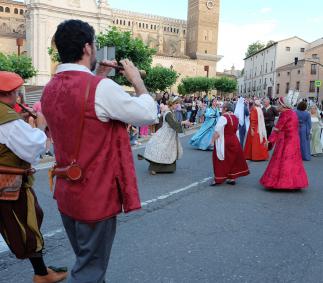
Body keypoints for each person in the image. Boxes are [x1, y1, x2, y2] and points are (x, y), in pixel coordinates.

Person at [41, 20, 157, 283]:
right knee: (90, 269)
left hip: (66, 190)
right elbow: (148, 114)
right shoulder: (100, 88)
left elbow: (81, 112)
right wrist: (137, 82)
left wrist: (98, 78)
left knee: (86, 259)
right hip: (94, 194)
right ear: (87, 48)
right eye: (94, 45)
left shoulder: (49, 88)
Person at [0, 71, 68, 283]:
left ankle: (42, 272)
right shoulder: (7, 120)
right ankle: (42, 274)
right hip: (10, 187)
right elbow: (33, 147)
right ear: (11, 93)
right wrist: (40, 126)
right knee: (28, 224)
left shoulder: (7, 117)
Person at [260, 95, 308, 190]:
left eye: (279, 104)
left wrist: (269, 141)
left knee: (282, 161)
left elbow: (277, 130)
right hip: (294, 141)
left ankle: (280, 183)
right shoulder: (293, 113)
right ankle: (295, 183)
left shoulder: (284, 114)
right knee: (294, 162)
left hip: (286, 141)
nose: (277, 106)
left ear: (283, 105)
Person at [138, 96, 190, 174]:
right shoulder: (168, 113)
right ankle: (154, 168)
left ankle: (166, 168)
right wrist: (183, 122)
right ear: (172, 104)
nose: (178, 105)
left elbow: (174, 123)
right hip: (166, 135)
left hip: (169, 135)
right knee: (162, 151)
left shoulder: (171, 112)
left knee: (166, 152)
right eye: (177, 104)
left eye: (178, 104)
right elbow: (173, 124)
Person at [210, 102, 249, 186]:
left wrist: (212, 141)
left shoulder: (223, 117)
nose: (221, 109)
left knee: (219, 159)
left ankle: (218, 179)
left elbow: (217, 131)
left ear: (226, 109)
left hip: (224, 140)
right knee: (232, 159)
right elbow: (237, 130)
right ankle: (231, 178)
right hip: (234, 140)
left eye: (222, 108)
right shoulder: (235, 117)